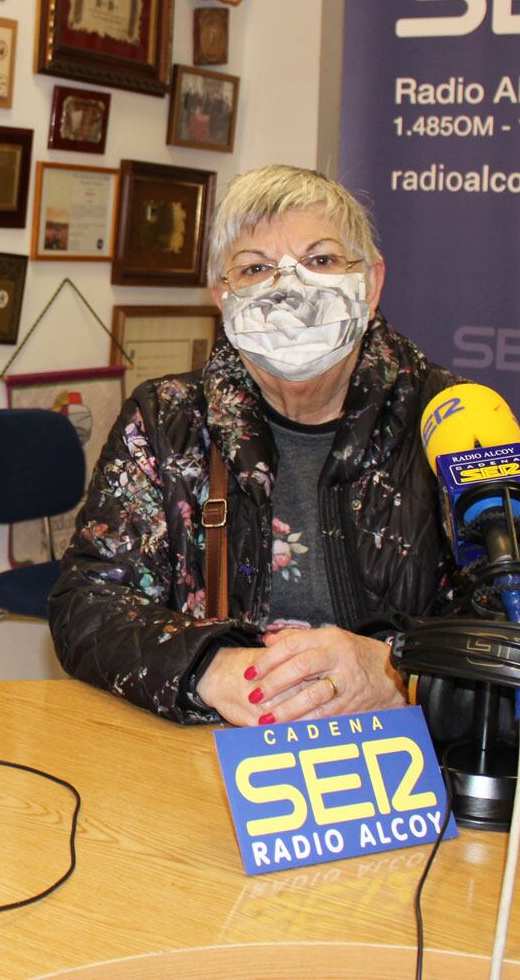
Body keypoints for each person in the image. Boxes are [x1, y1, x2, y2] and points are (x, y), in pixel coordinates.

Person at [49, 165, 461, 729]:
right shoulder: (166, 419)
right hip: (213, 762)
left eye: (320, 260)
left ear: (370, 283)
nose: (288, 290)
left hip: (406, 773)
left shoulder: (452, 421)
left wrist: (395, 672)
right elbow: (86, 606)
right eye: (256, 268)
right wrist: (210, 670)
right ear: (222, 296)